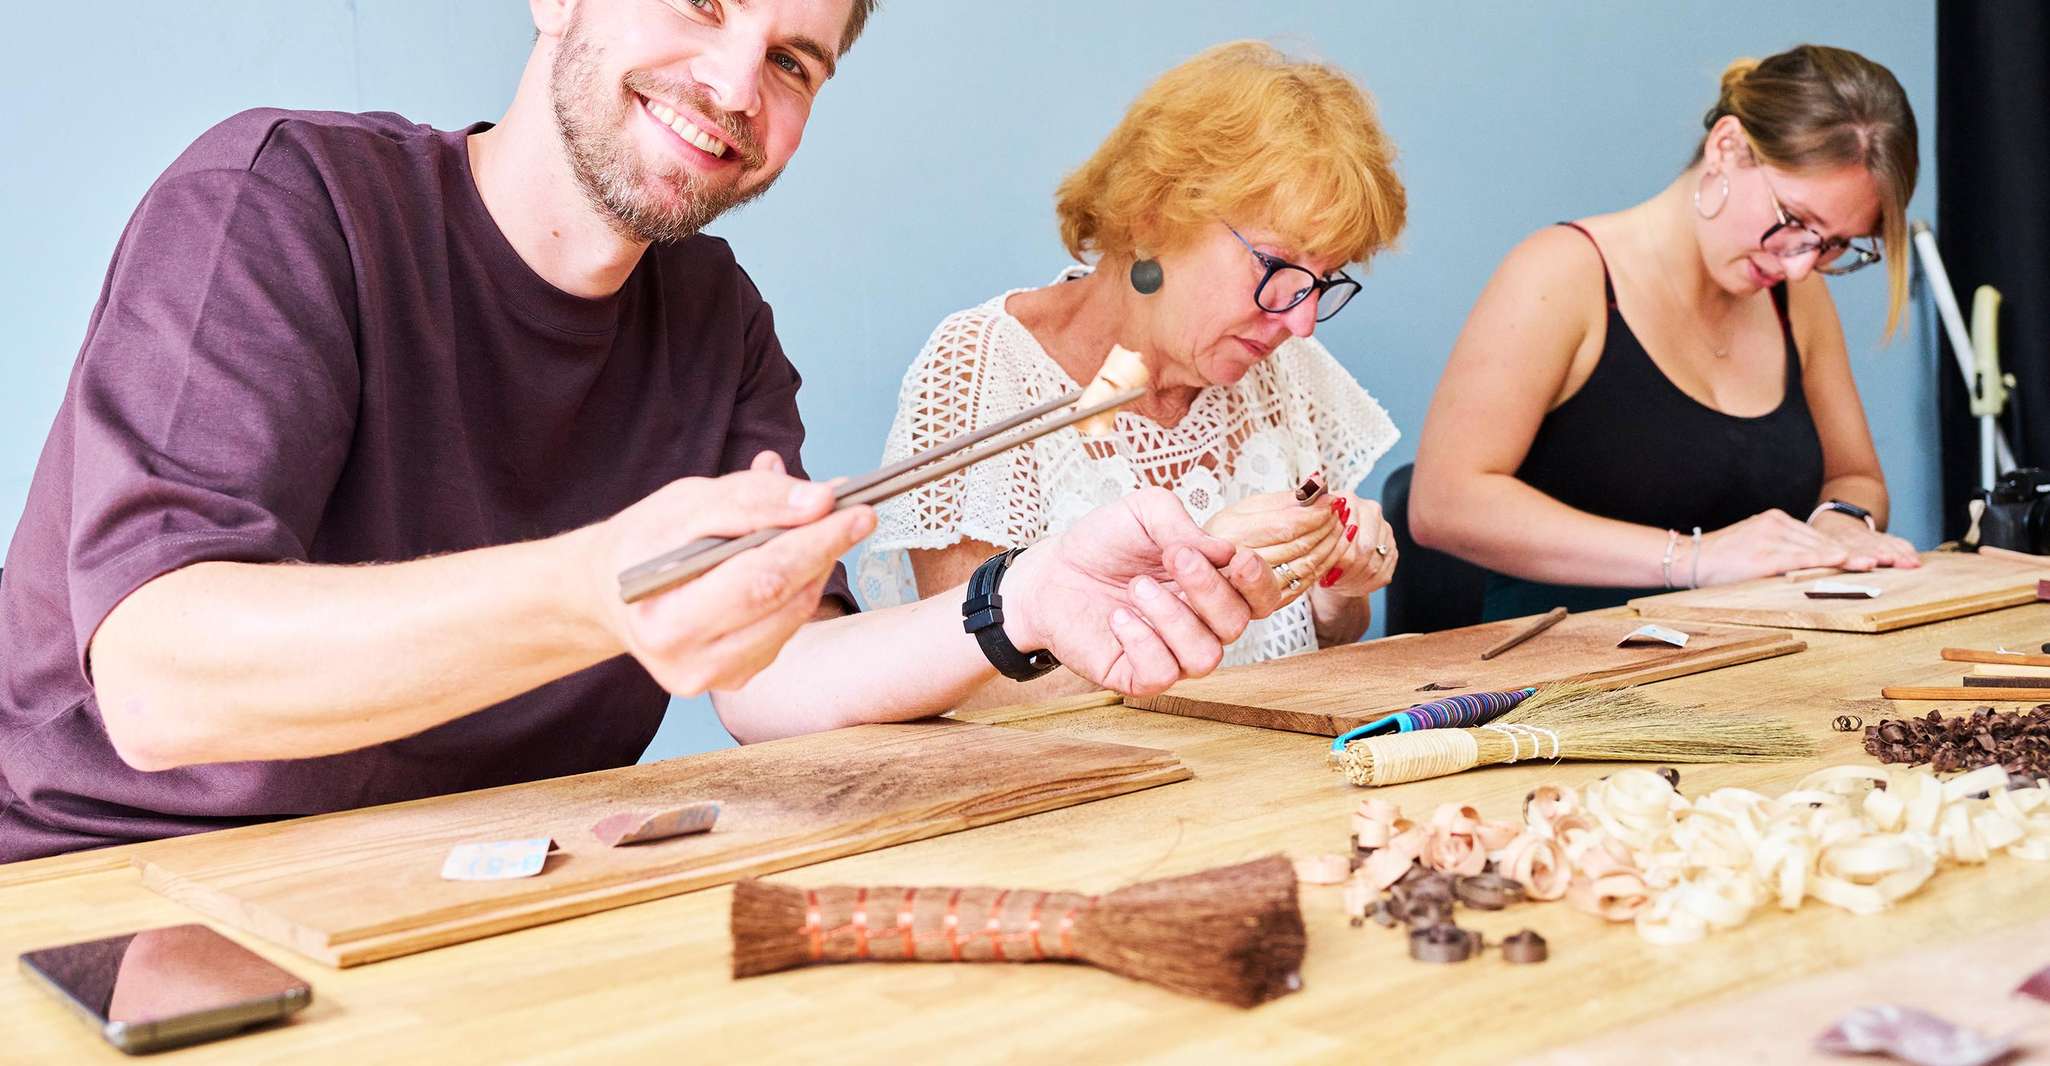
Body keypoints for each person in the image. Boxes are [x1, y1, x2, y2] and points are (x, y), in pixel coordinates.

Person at [0, 0, 1286, 863]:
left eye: (794, 60)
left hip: (462, 891)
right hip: (113, 886)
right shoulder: (285, 201)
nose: (734, 85)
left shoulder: (715, 318)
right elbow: (160, 680)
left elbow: (771, 676)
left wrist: (1023, 601)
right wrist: (596, 590)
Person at [857, 41, 1407, 707]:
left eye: (1324, 281)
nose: (1302, 322)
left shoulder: (1289, 374)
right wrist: (1190, 574)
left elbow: (1325, 641)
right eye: (1277, 268)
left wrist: (1336, 588)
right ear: (1153, 221)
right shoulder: (986, 368)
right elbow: (976, 694)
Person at [1410, 44, 1922, 621]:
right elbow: (1443, 504)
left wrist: (1841, 524)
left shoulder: (1795, 297)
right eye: (1795, 222)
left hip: (1752, 662)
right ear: (1727, 147)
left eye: (1834, 245)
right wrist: (1693, 559)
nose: (1802, 264)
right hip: (1562, 673)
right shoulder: (1561, 275)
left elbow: (1853, 477)